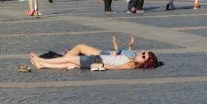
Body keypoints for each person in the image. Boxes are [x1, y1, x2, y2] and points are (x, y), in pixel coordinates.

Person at [30, 41, 159, 70]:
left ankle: (41, 60)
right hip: (97, 59)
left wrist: (102, 65)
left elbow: (117, 68)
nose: (141, 53)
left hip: (96, 60)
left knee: (69, 59)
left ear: (144, 63)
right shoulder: (132, 58)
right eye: (143, 52)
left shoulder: (131, 64)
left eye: (143, 56)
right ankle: (43, 64)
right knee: (69, 63)